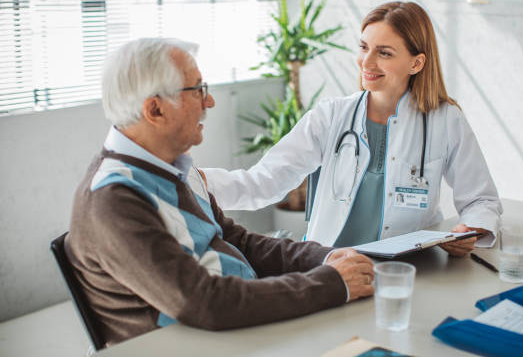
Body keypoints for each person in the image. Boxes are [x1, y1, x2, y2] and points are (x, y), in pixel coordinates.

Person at [66, 38, 374, 346]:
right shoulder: (113, 199)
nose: (209, 101)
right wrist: (330, 284)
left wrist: (325, 258)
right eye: (197, 89)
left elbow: (239, 242)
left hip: (239, 333)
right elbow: (205, 302)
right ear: (155, 109)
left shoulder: (173, 167)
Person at [203, 2, 502, 256]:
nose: (366, 62)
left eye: (384, 53)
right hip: (330, 269)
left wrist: (471, 230)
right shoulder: (331, 116)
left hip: (407, 270)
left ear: (416, 63)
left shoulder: (445, 121)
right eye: (363, 47)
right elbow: (264, 181)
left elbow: (482, 200)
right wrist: (195, 181)